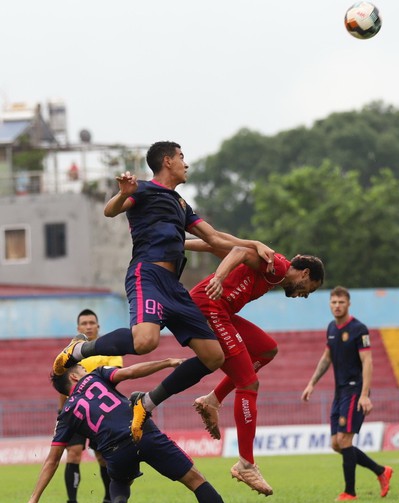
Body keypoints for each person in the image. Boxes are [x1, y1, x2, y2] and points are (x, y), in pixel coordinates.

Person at [52, 141, 274, 442]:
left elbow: (215, 238)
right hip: (148, 275)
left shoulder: (181, 204)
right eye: (182, 157)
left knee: (214, 357)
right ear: (167, 161)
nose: (186, 163)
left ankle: (146, 403)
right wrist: (123, 194)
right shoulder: (141, 190)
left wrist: (253, 245)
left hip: (174, 287)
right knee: (145, 342)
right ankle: (78, 350)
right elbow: (109, 210)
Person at [14, 359, 265, 503]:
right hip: (142, 431)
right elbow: (131, 372)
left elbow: (52, 460)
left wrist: (34, 498)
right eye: (80, 367)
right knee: (195, 480)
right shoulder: (95, 377)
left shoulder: (65, 415)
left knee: (120, 479)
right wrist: (167, 363)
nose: (84, 369)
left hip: (113, 449)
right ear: (74, 377)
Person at [185, 241, 324, 496]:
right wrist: (218, 278)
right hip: (210, 308)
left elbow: (219, 245)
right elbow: (237, 252)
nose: (303, 295)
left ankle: (213, 400)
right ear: (305, 273)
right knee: (249, 383)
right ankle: (246, 464)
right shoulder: (279, 268)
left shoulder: (274, 270)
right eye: (308, 289)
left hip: (221, 311)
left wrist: (178, 243)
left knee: (267, 349)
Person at [301, 286, 393, 501]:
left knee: (344, 439)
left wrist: (364, 394)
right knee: (336, 443)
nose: (337, 306)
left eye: (341, 302)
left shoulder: (359, 329)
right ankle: (381, 471)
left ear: (348, 304)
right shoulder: (331, 328)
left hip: (354, 389)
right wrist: (311, 383)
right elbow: (326, 358)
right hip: (339, 391)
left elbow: (368, 361)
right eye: (333, 302)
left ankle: (350, 492)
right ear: (329, 304)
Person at [59, 309, 123, 503]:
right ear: (78, 328)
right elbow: (62, 384)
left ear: (98, 326)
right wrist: (61, 413)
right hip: (76, 410)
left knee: (103, 456)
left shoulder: (110, 349)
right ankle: (72, 502)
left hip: (100, 411)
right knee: (74, 454)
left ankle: (108, 499)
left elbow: (116, 376)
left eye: (91, 323)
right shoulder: (69, 354)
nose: (88, 326)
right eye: (84, 323)